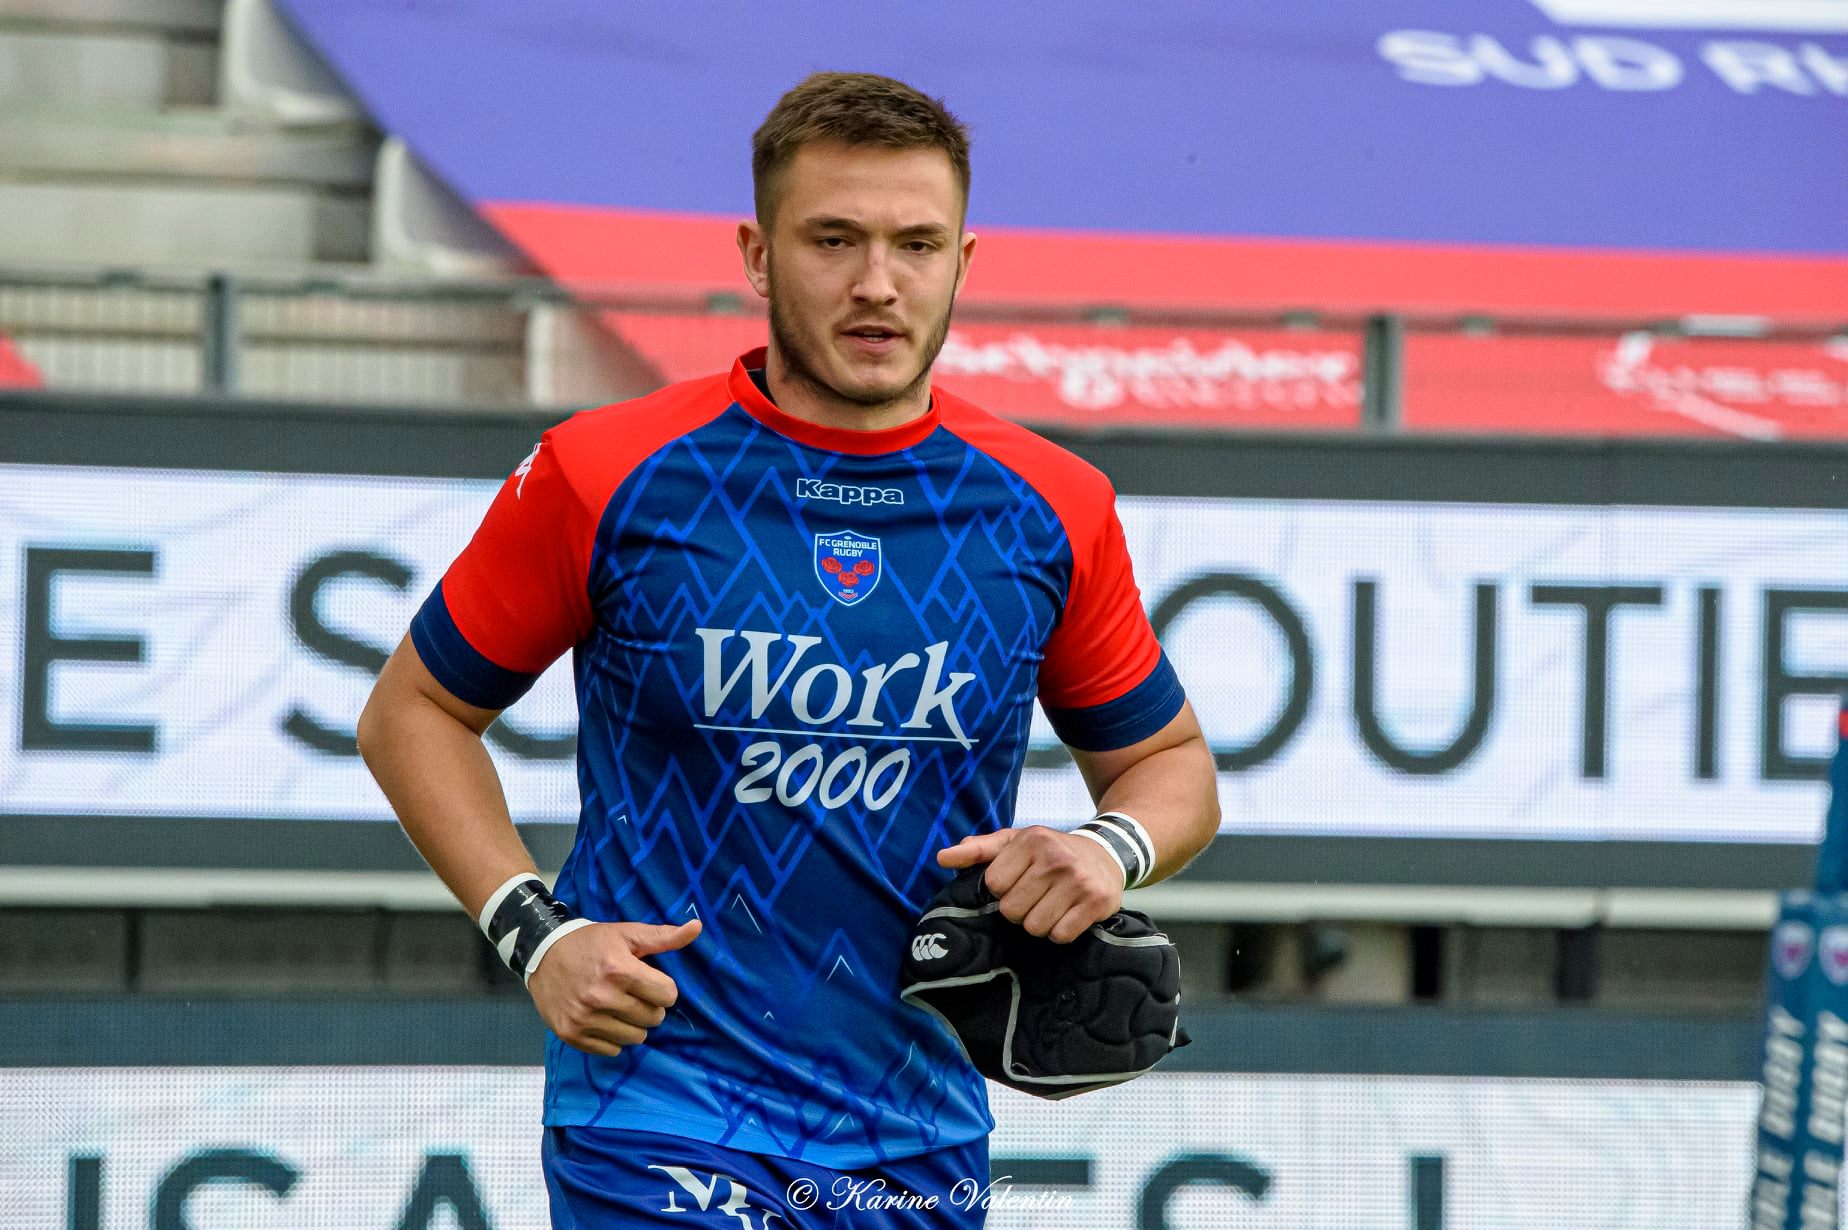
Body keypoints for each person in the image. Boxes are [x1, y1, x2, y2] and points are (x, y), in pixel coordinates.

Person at [358, 70, 1219, 1229]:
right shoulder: (607, 472)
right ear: (758, 256)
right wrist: (535, 933)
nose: (878, 283)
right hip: (660, 1110)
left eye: (917, 244)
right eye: (834, 239)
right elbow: (413, 712)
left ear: (964, 262)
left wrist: (1107, 848)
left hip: (920, 1130)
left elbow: (1170, 764)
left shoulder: (1050, 504)